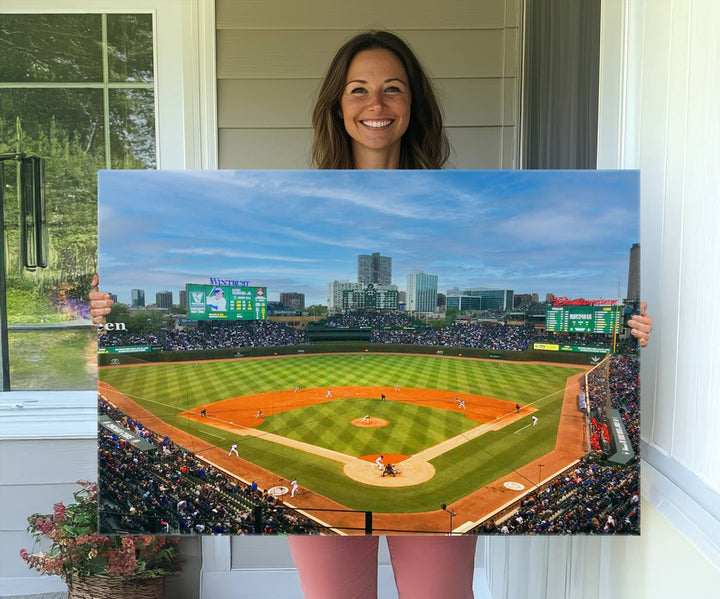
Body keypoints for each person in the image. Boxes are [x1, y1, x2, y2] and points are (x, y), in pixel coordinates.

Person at [88, 29, 654, 599]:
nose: (375, 105)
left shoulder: (451, 198)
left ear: (413, 105)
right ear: (338, 105)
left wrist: (630, 333)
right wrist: (105, 310)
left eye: (393, 89)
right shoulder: (302, 200)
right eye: (358, 90)